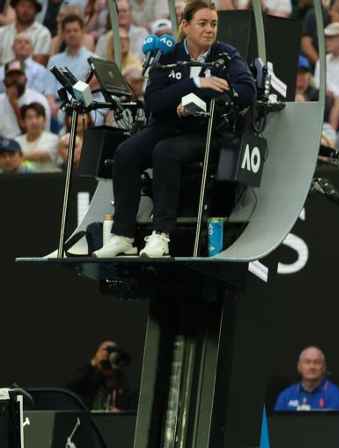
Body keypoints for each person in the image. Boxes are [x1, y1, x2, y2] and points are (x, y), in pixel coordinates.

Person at [92, 1, 255, 259]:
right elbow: (154, 101)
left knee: (165, 152)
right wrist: (195, 83)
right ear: (185, 25)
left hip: (206, 131)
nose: (210, 30)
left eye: (213, 24)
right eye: (202, 23)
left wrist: (204, 100)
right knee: (126, 152)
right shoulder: (168, 55)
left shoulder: (226, 55)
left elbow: (247, 91)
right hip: (168, 125)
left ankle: (161, 235)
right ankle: (123, 236)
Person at [274, 346, 339, 411]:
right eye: (307, 362)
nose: (312, 366)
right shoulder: (286, 395)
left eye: (317, 362)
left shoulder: (335, 395)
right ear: (299, 367)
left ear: (324, 368)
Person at [67, 340, 134, 411]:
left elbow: (126, 397)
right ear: (98, 352)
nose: (110, 354)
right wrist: (96, 362)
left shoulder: (119, 376)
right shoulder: (88, 373)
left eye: (114, 350)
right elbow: (72, 385)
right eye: (107, 349)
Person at [48, 13, 94, 94]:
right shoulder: (54, 61)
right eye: (68, 31)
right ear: (63, 34)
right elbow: (49, 91)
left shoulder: (94, 60)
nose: (72, 34)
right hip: (58, 104)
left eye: (75, 30)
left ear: (83, 32)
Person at [0, 0, 53, 66]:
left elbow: (39, 65)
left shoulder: (43, 33)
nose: (25, 10)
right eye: (22, 5)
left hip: (31, 75)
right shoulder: (2, 32)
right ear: (15, 7)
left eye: (30, 7)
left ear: (36, 11)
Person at [15, 102, 57, 171]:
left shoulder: (54, 139)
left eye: (38, 117)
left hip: (48, 180)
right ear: (23, 122)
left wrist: (17, 157)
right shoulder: (16, 141)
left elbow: (43, 155)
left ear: (44, 120)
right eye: (29, 117)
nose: (34, 121)